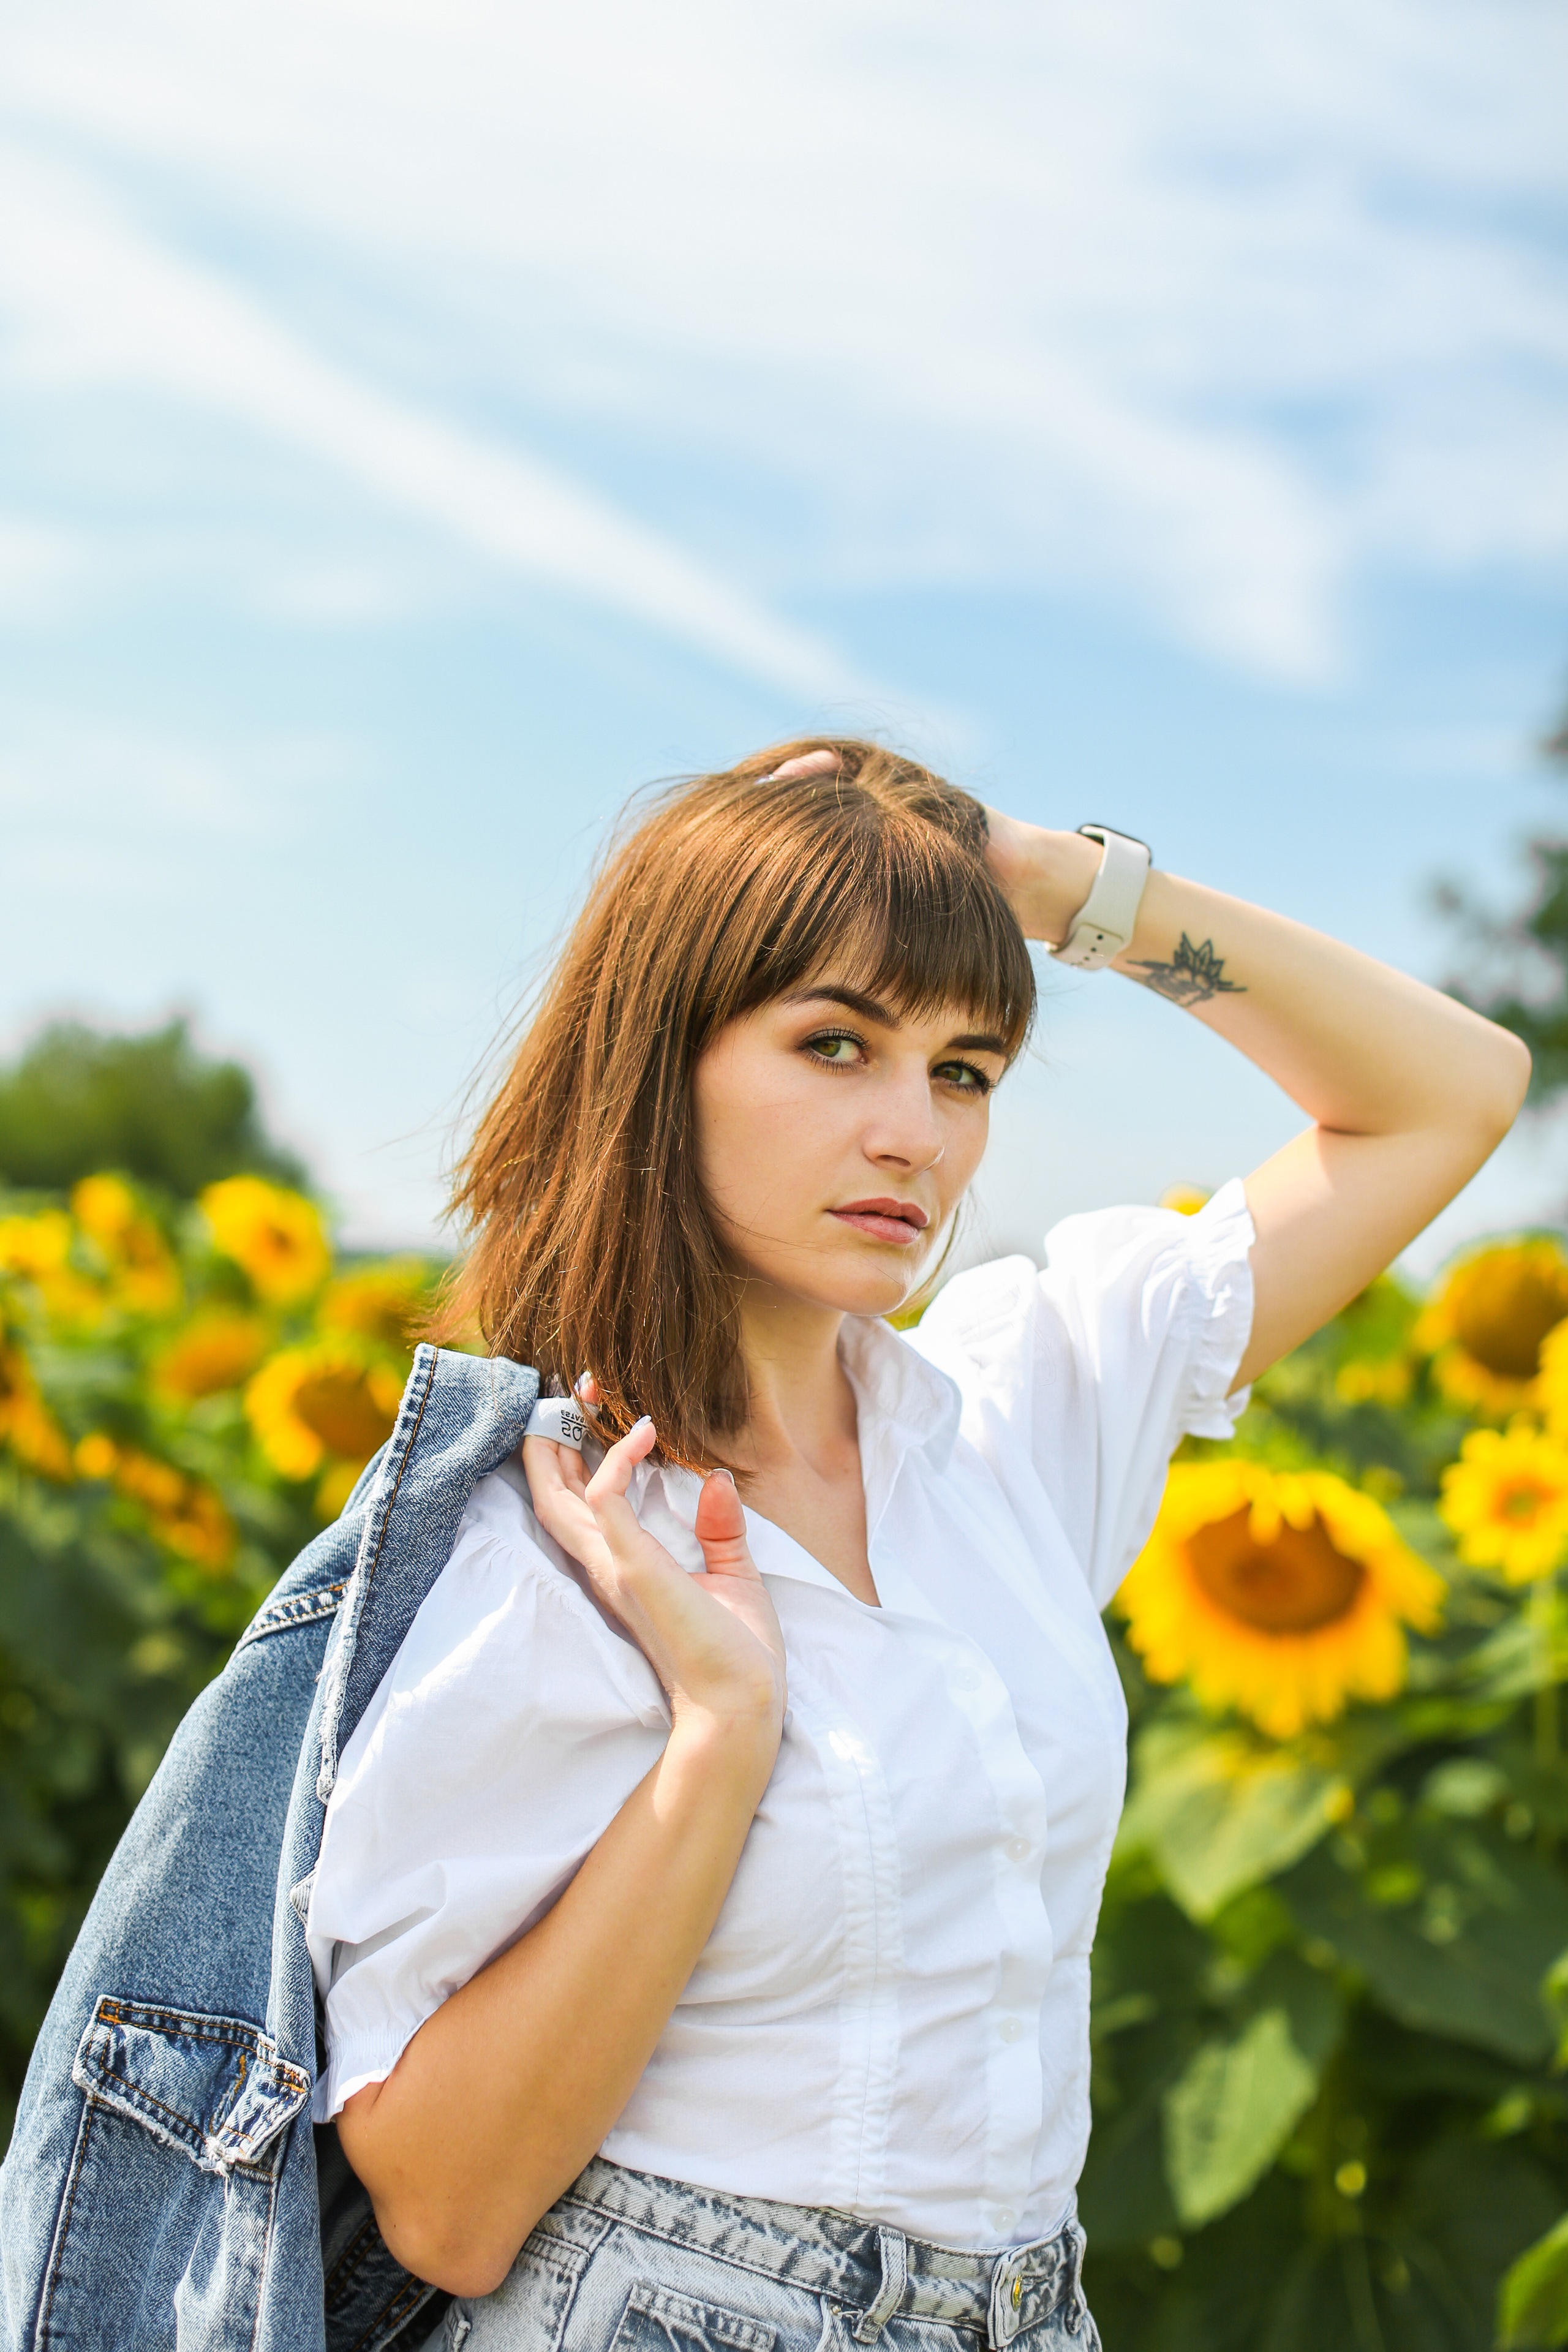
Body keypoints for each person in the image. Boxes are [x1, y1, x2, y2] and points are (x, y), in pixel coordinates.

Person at [295, 737, 1528, 2352]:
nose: (915, 1137)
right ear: (659, 1058)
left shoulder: (1015, 1415)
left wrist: (1041, 880)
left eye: (964, 1070)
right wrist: (720, 1744)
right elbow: (444, 2207)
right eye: (835, 1044)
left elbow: (1449, 1094)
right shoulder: (542, 1531)